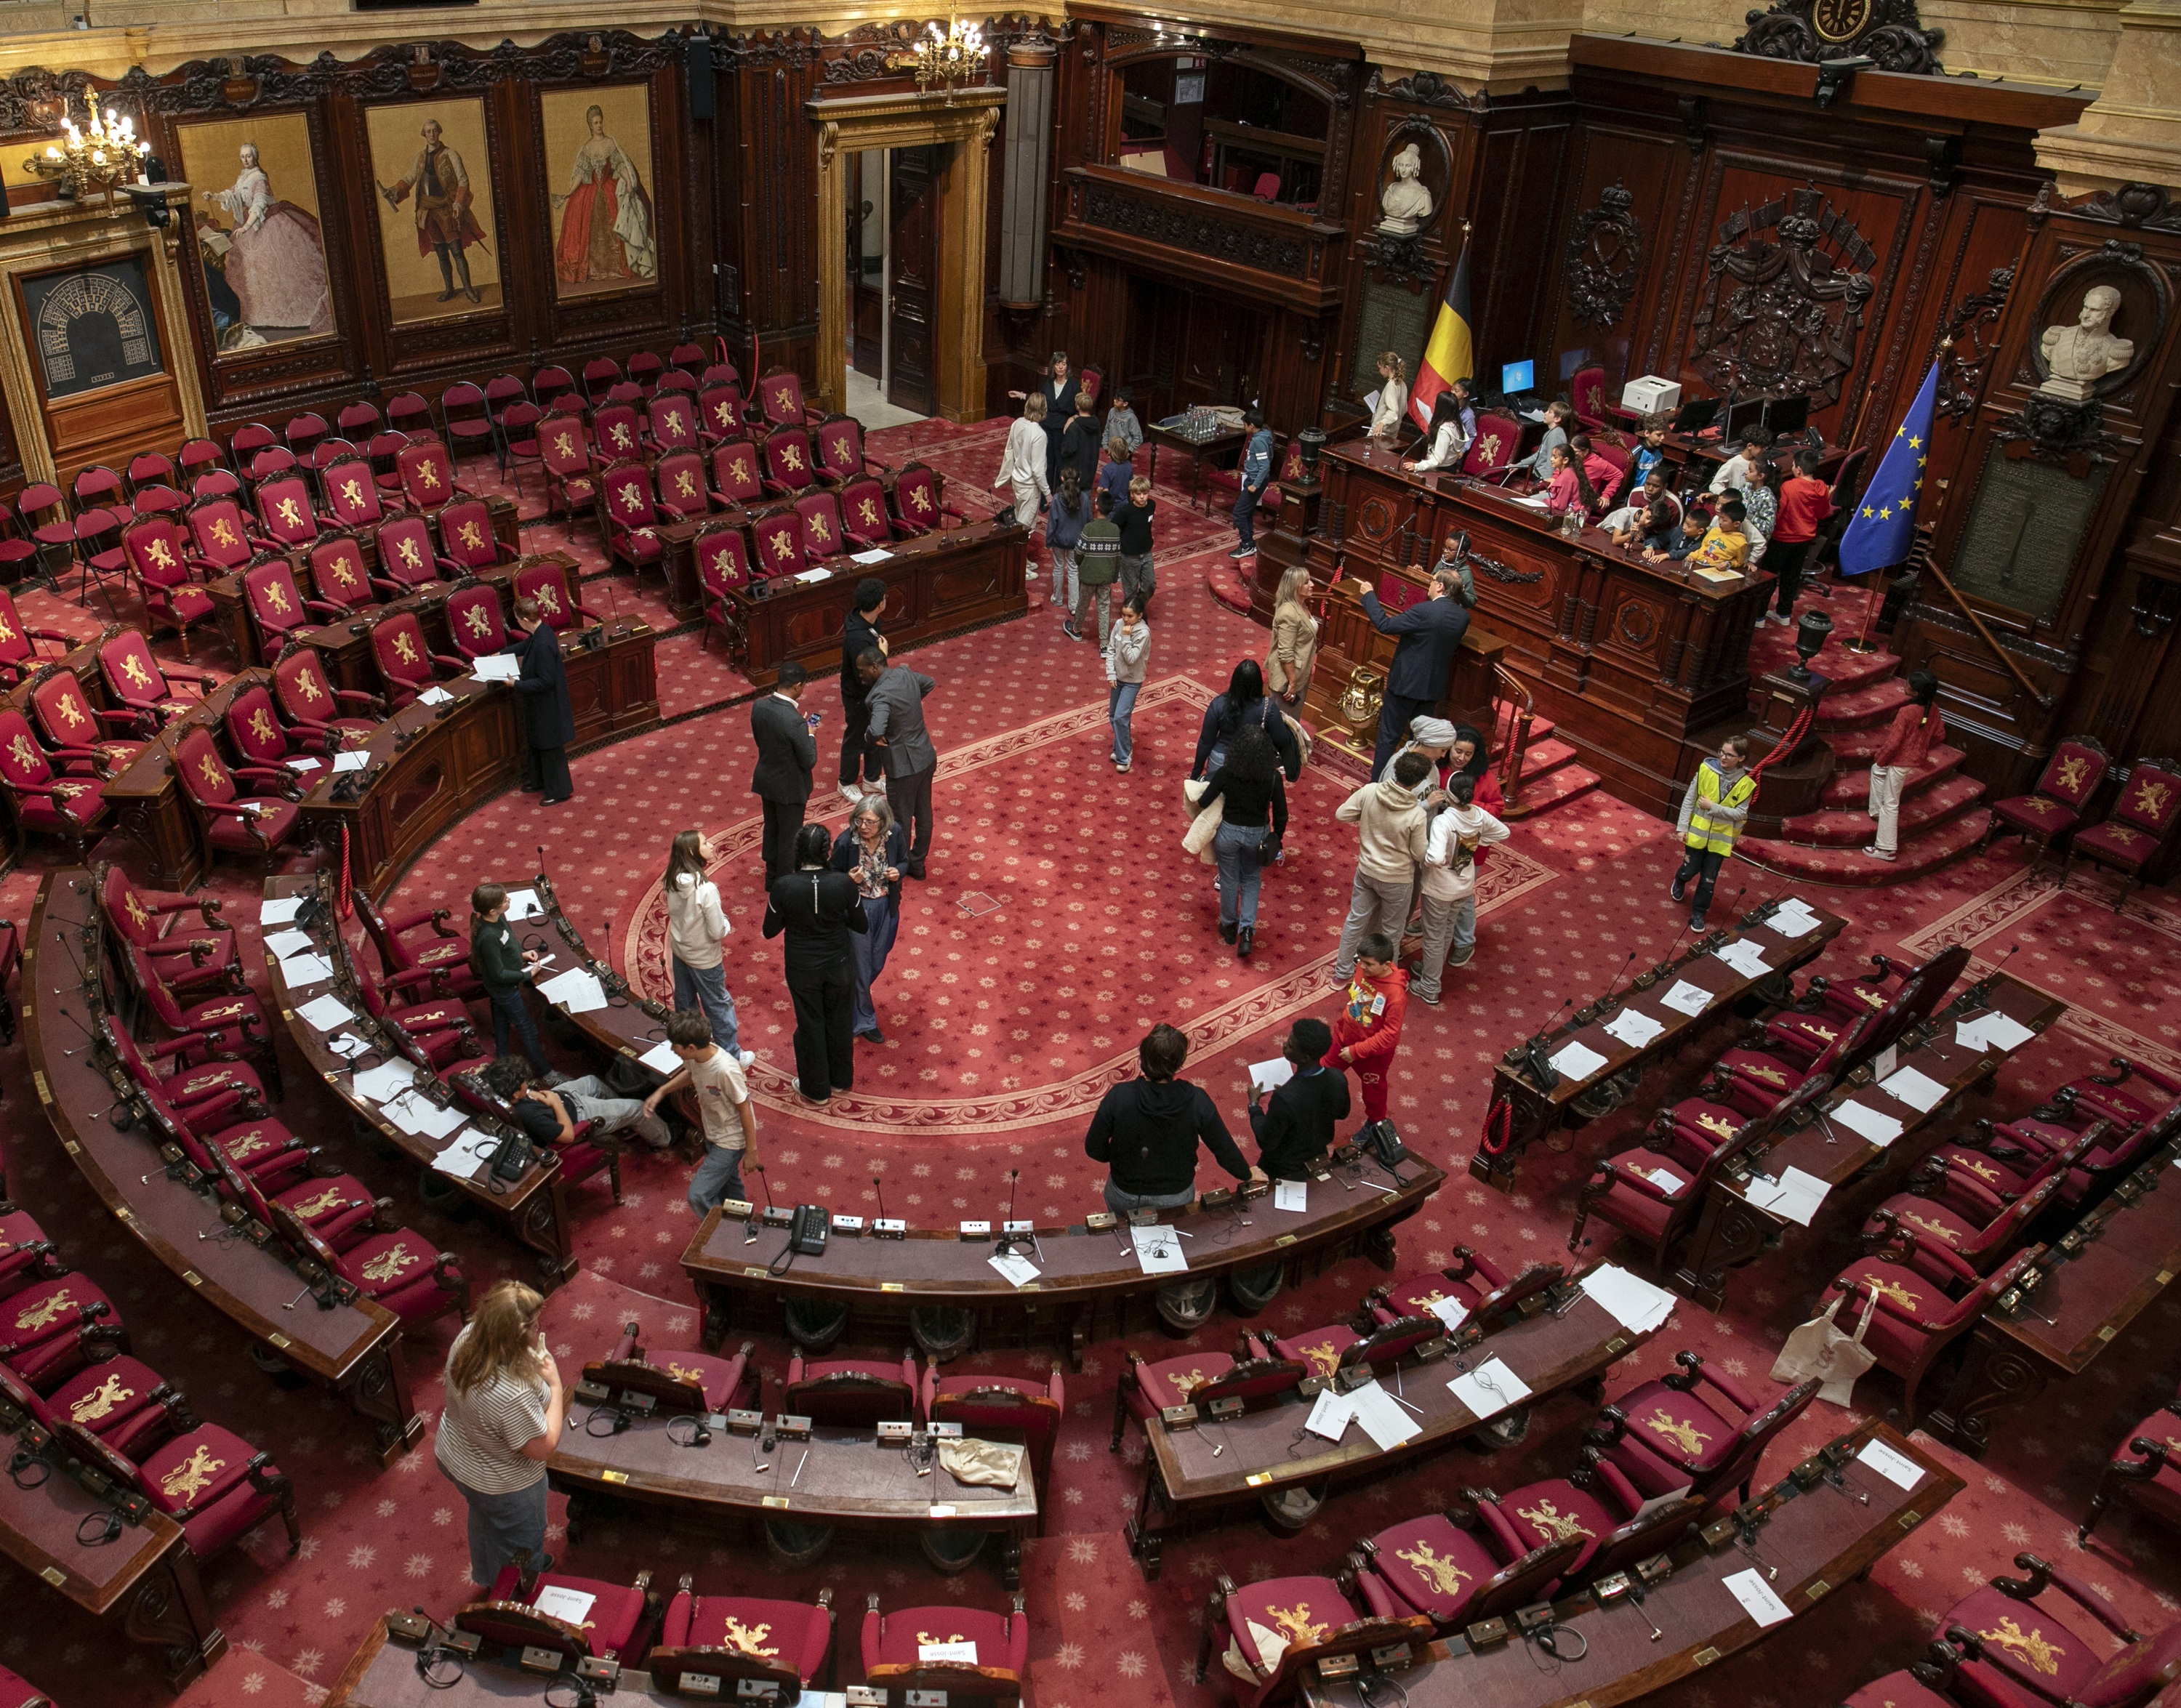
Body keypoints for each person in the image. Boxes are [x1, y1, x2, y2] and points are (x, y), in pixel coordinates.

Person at [435, 1280, 562, 1590]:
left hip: (457, 1457)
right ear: (516, 1337)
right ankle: (518, 1591)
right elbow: (542, 1447)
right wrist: (555, 1386)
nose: (539, 1330)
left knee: (484, 1519)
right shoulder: (511, 1395)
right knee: (525, 1541)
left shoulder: (469, 1336)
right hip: (505, 1486)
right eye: (534, 1325)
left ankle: (489, 1575)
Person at [1083, 1023, 1263, 1214]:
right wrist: (1247, 1174)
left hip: (1125, 1194)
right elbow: (1223, 1148)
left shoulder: (1119, 1096)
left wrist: (1122, 1158)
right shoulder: (1197, 1100)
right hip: (1175, 1196)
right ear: (1180, 1062)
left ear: (1143, 1058)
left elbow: (1094, 1148)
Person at [763, 824, 866, 1103]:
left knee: (811, 1023)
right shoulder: (844, 883)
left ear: (797, 852)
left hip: (802, 967)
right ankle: (841, 1079)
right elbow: (861, 925)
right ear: (827, 851)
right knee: (840, 1019)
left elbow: (769, 931)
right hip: (840, 964)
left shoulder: (784, 886)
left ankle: (816, 1089)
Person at [198, 141, 333, 338]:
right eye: (243, 157)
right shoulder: (244, 176)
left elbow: (259, 205)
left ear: (255, 157)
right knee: (250, 270)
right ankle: (254, 315)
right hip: (249, 225)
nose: (246, 160)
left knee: (276, 268)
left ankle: (282, 315)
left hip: (266, 223)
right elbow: (234, 195)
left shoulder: (259, 177)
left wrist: (246, 226)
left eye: (249, 156)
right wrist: (215, 196)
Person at [641, 1010, 760, 1211]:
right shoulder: (696, 1057)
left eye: (675, 1047)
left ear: (691, 1047)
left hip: (731, 1141)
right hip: (712, 1132)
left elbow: (745, 1109)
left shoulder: (726, 1070)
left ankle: (717, 1231)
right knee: (729, 1188)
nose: (673, 1050)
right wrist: (662, 1091)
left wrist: (752, 1151)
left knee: (698, 1196)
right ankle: (742, 1224)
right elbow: (692, 1074)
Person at [1358, 565, 1471, 777]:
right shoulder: (1463, 617)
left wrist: (1369, 596)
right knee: (1420, 741)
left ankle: (1377, 788)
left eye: (1432, 581)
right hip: (1431, 689)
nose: (1429, 584)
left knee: (1388, 738)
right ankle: (1408, 784)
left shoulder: (1424, 610)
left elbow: (1385, 625)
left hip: (1404, 685)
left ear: (1439, 586)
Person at [1331, 750, 1433, 981]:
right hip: (1397, 880)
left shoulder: (1370, 791)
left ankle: (1341, 973)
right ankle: (1386, 982)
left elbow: (1341, 814)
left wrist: (1367, 818)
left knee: (1355, 921)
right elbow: (1419, 854)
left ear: (1396, 770)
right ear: (1418, 782)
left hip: (1366, 870)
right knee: (1392, 934)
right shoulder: (1417, 813)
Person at [1413, 773, 1509, 1005]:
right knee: (1446, 930)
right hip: (1463, 885)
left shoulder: (1443, 821)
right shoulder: (1478, 815)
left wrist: (1423, 861)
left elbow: (1435, 857)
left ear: (1449, 794)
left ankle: (1430, 986)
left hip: (1440, 887)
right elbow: (1503, 832)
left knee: (1435, 936)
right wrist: (1476, 843)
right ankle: (1430, 968)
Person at [1195, 722, 1288, 958]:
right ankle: (1247, 931)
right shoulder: (1273, 777)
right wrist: (1277, 837)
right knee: (1250, 880)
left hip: (1228, 832)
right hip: (1257, 834)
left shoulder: (1227, 772)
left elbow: (1205, 801)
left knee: (1228, 879)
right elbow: (1280, 813)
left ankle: (1228, 926)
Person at [375, 117, 489, 305]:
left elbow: (463, 181)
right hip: (426, 212)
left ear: (440, 132)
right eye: (428, 131)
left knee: (457, 251)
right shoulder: (419, 158)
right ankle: (450, 289)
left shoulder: (451, 154)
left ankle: (469, 290)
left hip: (447, 210)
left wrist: (458, 204)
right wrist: (393, 191)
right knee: (441, 252)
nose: (432, 134)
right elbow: (409, 179)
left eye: (435, 130)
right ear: (424, 134)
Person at [660, 829, 748, 1059]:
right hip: (705, 957)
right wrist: (727, 921)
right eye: (705, 842)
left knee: (685, 1001)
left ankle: (690, 1045)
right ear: (692, 851)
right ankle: (732, 1055)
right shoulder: (706, 889)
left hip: (680, 950)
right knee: (718, 1005)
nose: (711, 845)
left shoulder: (671, 878)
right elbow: (718, 930)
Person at [552, 102, 656, 286]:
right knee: (587, 232)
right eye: (595, 123)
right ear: (590, 125)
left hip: (609, 189)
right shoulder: (586, 148)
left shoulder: (610, 144)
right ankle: (590, 270)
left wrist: (630, 183)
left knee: (617, 224)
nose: (599, 125)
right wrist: (570, 192)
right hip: (589, 195)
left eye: (600, 122)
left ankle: (618, 268)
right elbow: (580, 174)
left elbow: (620, 165)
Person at [830, 796, 907, 1042]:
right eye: (860, 821)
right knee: (862, 969)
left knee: (876, 962)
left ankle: (845, 1001)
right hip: (858, 909)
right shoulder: (845, 842)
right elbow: (830, 875)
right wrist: (846, 880)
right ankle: (864, 1020)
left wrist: (899, 872)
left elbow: (905, 860)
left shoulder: (895, 833)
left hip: (886, 906)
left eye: (870, 822)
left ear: (883, 822)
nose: (863, 827)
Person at [481, 1055, 671, 1151]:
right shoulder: (529, 1116)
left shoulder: (503, 1093)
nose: (526, 1082)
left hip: (564, 1096)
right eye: (523, 1082)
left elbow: (526, 1091)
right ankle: (664, 1139)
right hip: (578, 1113)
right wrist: (556, 1103)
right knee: (637, 1107)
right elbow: (567, 1136)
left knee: (593, 1081)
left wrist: (530, 1093)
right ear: (515, 1093)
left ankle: (624, 1121)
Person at [859, 649, 936, 879]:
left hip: (903, 767)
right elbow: (929, 683)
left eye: (862, 671)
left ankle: (899, 869)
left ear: (874, 667)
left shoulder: (879, 696)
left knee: (900, 821)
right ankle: (918, 864)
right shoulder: (905, 673)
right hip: (925, 755)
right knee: (924, 815)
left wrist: (870, 738)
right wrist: (911, 705)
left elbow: (875, 730)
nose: (860, 676)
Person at [1672, 734, 1754, 930]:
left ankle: (1699, 913)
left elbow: (1740, 814)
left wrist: (1713, 807)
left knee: (1709, 879)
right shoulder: (1704, 771)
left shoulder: (1746, 785)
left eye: (1730, 755)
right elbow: (1689, 800)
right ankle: (1680, 878)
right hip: (1697, 834)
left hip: (1720, 841)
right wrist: (1682, 827)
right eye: (1721, 752)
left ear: (1741, 759)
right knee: (1690, 869)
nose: (1723, 758)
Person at [1249, 1018, 1348, 1180]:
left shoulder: (1285, 1099)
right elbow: (1342, 1113)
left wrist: (1254, 1105)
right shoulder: (1338, 1078)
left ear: (1305, 1058)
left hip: (1281, 1166)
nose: (1284, 1045)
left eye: (1290, 1045)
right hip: (1318, 1156)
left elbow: (1266, 1141)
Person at [1327, 935, 1408, 1130]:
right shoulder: (1362, 968)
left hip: (1372, 1056)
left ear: (1386, 964)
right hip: (1343, 1038)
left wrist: (1356, 1051)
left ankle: (1375, 1125)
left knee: (1373, 1093)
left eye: (1369, 964)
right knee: (1322, 1074)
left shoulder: (1396, 996)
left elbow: (1390, 1036)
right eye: (1360, 960)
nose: (1362, 967)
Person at [750, 660, 817, 885]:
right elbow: (809, 760)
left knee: (772, 828)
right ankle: (786, 885)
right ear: (798, 686)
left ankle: (771, 877)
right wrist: (810, 733)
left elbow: (762, 740)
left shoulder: (758, 707)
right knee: (790, 837)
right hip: (790, 787)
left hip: (767, 779)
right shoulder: (794, 721)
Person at [469, 882, 547, 1073]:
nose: (509, 900)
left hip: (504, 987)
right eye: (505, 900)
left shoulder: (498, 919)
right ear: (492, 910)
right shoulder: (488, 936)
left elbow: (508, 943)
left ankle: (502, 1059)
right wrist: (527, 974)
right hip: (504, 989)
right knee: (527, 1028)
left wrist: (522, 954)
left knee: (501, 1021)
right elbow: (499, 974)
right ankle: (547, 1072)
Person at [1867, 669, 1943, 862]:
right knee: (1877, 771)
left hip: (1901, 762)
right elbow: (1939, 735)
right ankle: (1876, 812)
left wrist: (1882, 757)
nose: (1904, 685)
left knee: (1891, 803)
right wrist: (1920, 747)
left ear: (1916, 693)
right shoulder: (1932, 708)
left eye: (1907, 684)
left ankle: (1886, 849)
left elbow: (1893, 744)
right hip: (1912, 759)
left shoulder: (1906, 712)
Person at [1191, 658, 1301, 783]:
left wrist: (1195, 775)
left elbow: (1205, 742)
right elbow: (1281, 739)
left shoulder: (1218, 704)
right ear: (1259, 683)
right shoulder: (1268, 708)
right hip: (1252, 763)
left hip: (1220, 761)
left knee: (1216, 799)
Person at [510, 597, 573, 804]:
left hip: (548, 707)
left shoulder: (545, 643)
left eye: (519, 620)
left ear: (526, 619)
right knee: (537, 742)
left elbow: (546, 682)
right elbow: (525, 646)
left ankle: (558, 791)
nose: (518, 623)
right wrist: (499, 655)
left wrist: (516, 685)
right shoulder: (540, 632)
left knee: (550, 748)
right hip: (538, 706)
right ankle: (538, 781)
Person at [1768, 448, 1835, 625]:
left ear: (1798, 469)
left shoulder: (1789, 486)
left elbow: (1779, 513)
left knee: (1768, 577)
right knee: (1791, 578)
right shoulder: (1822, 488)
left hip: (1782, 538)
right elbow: (1823, 513)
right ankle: (1784, 615)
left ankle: (1759, 616)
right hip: (1804, 540)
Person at [838, 579, 888, 805]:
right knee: (856, 739)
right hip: (859, 696)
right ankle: (846, 782)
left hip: (873, 692)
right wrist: (882, 654)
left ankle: (871, 778)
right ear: (879, 603)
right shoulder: (857, 638)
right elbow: (868, 673)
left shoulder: (873, 623)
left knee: (876, 733)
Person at [1006, 351, 1082, 489]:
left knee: (1060, 464)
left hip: (1063, 430)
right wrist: (1021, 395)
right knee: (1047, 463)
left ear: (1067, 367)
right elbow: (1039, 400)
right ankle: (1045, 498)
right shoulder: (1048, 383)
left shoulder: (1074, 385)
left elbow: (1080, 409)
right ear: (1053, 366)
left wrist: (1072, 418)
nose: (1060, 367)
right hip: (1046, 428)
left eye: (1063, 364)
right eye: (1057, 364)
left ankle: (1059, 496)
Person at [1106, 595, 1149, 773]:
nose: (1125, 619)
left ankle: (1124, 757)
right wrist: (1110, 673)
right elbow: (1110, 650)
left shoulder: (1143, 633)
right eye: (1124, 615)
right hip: (1117, 677)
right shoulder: (1118, 624)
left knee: (1121, 717)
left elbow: (1131, 658)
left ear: (1139, 616)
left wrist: (1125, 637)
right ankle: (1119, 748)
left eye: (1130, 616)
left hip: (1132, 680)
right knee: (1113, 715)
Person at [1045, 467, 1093, 628]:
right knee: (1074, 570)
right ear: (1079, 480)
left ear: (1062, 479)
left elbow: (1053, 522)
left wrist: (1049, 540)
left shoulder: (1058, 499)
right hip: (1077, 541)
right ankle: (1073, 606)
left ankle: (1057, 599)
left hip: (1059, 540)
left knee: (1058, 567)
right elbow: (1089, 521)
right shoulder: (1085, 499)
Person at [1072, 489, 1121, 647]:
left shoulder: (1089, 529)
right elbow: (1117, 556)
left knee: (1083, 603)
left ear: (1096, 507)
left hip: (1088, 575)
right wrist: (1114, 576)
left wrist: (1081, 565)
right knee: (1104, 607)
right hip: (1106, 576)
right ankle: (1104, 643)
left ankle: (1077, 630)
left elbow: (1078, 552)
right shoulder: (1115, 530)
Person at [993, 392, 1051, 527]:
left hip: (1017, 480)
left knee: (1018, 520)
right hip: (1029, 486)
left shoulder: (1017, 423)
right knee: (1023, 530)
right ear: (1044, 410)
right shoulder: (1039, 435)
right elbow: (1038, 470)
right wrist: (1047, 494)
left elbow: (1009, 452)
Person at [1266, 566, 1317, 709]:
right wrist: (1292, 683)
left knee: (1292, 723)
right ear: (1295, 587)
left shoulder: (1301, 605)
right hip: (1287, 681)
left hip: (1299, 674)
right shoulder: (1288, 613)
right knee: (1283, 725)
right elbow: (1286, 653)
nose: (1312, 584)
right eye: (1306, 582)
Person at [1228, 408, 1275, 561]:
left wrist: (1255, 484)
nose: (1244, 427)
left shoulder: (1258, 441)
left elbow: (1264, 466)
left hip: (1255, 481)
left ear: (1252, 425)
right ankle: (1248, 543)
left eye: (1245, 425)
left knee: (1239, 513)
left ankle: (1247, 544)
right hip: (1254, 479)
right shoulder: (1264, 436)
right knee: (1246, 512)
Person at [1113, 475, 1157, 616]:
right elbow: (1114, 527)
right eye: (1139, 494)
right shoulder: (1126, 511)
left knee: (1150, 584)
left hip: (1146, 553)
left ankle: (1136, 607)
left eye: (1145, 493)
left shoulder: (1152, 505)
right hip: (1129, 556)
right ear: (1132, 494)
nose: (1142, 497)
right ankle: (1131, 615)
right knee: (1130, 589)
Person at [1401, 392, 1468, 475]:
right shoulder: (1457, 424)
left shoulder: (1444, 431)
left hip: (1439, 471)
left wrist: (1417, 466)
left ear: (1441, 408)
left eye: (1436, 405)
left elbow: (1438, 460)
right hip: (1450, 467)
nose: (1434, 405)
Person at [1685, 498, 1751, 578]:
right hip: (1697, 565)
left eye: (1724, 520)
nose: (1720, 522)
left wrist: (1728, 564)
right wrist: (1692, 556)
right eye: (1720, 518)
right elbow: (1702, 549)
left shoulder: (1740, 542)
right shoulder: (1714, 531)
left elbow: (1739, 562)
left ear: (1736, 524)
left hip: (1714, 572)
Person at [1512, 398, 1575, 480]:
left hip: (1543, 477)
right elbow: (1538, 455)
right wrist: (1519, 465)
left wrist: (1544, 483)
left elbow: (1552, 464)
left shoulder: (1556, 436)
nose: (1545, 413)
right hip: (1539, 473)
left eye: (1549, 412)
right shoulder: (1551, 432)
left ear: (1557, 419)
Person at [1707, 424, 1772, 497]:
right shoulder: (1734, 463)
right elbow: (1715, 485)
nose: (1764, 450)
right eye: (1762, 447)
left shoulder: (1761, 463)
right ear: (1750, 446)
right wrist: (1731, 496)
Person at [1740, 452, 1778, 569]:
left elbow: (1768, 528)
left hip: (1752, 544)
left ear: (1761, 476)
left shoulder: (1767, 497)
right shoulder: (1746, 486)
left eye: (1751, 471)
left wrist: (1749, 516)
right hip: (1738, 536)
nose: (1746, 472)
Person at [1059, 392, 1103, 489]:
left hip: (1075, 472)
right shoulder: (1096, 424)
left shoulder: (1074, 427)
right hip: (1090, 467)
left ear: (1077, 407)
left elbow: (1068, 450)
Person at [1543, 442, 1599, 519]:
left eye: (1555, 457)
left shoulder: (1567, 476)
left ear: (1565, 460)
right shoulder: (1571, 470)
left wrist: (1545, 500)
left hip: (1571, 515)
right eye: (1552, 456)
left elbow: (1560, 505)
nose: (1551, 459)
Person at [1568, 432, 1624, 507]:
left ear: (1586, 452)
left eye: (1575, 452)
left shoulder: (1597, 464)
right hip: (1566, 494)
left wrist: (1606, 495)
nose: (1571, 455)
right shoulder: (1569, 456)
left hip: (1583, 502)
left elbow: (1618, 475)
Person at [1645, 503, 1711, 565]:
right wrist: (1650, 547)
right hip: (1667, 563)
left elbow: (1687, 552)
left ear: (1700, 531)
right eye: (1685, 523)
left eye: (1689, 526)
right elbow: (1660, 539)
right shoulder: (1678, 530)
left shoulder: (1704, 541)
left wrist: (1667, 555)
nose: (1684, 527)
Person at [1369, 352, 1410, 440]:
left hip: (1380, 433)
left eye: (1380, 368)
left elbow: (1393, 412)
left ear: (1387, 368)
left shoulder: (1391, 385)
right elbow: (1404, 408)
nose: (1379, 371)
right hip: (1393, 434)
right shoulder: (1402, 383)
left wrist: (1382, 423)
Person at [1628, 415, 1671, 491]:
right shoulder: (1637, 453)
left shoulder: (1660, 451)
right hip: (1636, 491)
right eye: (1659, 435)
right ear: (1647, 433)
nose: (1663, 438)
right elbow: (1628, 478)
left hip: (1652, 491)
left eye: (1664, 434)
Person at [1104, 387, 1143, 462]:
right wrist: (1105, 445)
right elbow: (1107, 429)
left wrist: (1129, 451)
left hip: (1124, 451)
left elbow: (1138, 437)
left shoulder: (1131, 417)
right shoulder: (1112, 411)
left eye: (1117, 400)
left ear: (1125, 403)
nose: (1114, 401)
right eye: (1115, 398)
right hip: (1113, 449)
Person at [1097, 436, 1135, 509]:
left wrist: (1099, 491)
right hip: (1125, 502)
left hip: (1112, 505)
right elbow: (1131, 484)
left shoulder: (1107, 469)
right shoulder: (1128, 465)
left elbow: (1105, 491)